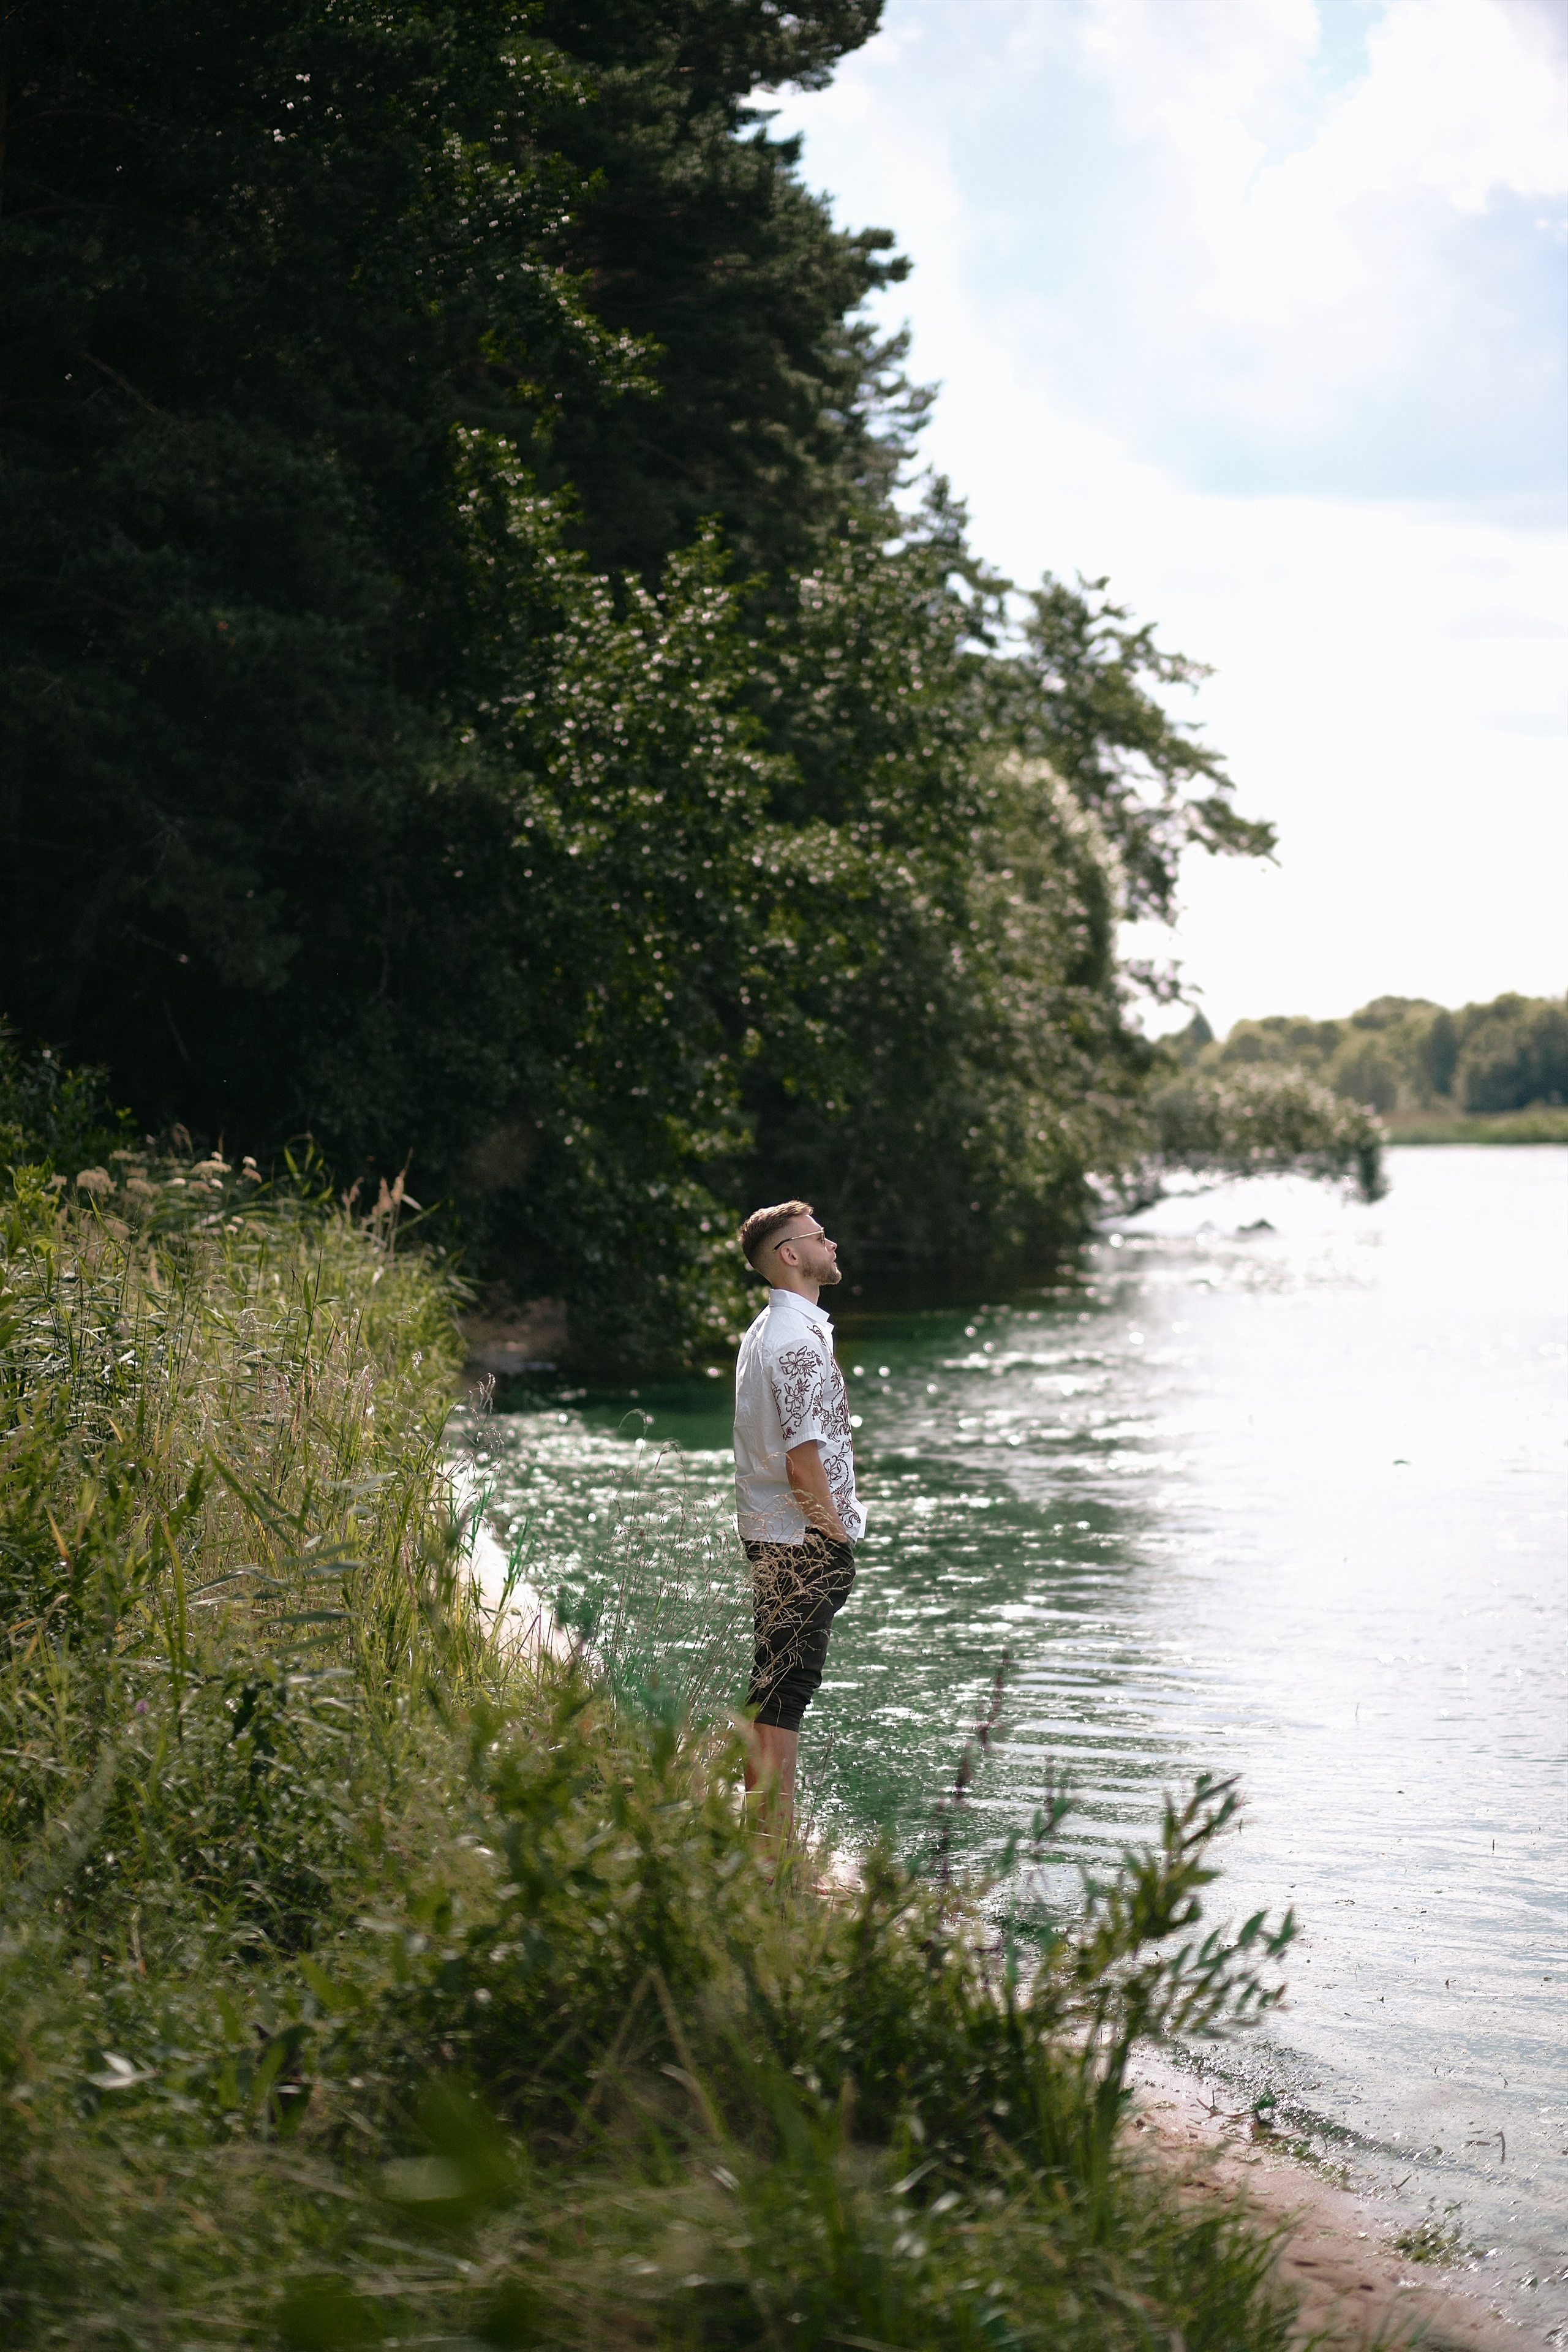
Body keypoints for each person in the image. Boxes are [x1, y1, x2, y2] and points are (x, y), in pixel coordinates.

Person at [731, 1199, 864, 1839]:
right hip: (800, 1537)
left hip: (774, 1532)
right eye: (818, 1237)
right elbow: (802, 1465)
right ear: (790, 1254)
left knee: (775, 1686)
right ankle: (768, 1848)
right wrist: (834, 1543)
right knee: (785, 1694)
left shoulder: (771, 1330)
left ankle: (764, 1838)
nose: (830, 1243)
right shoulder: (794, 1343)